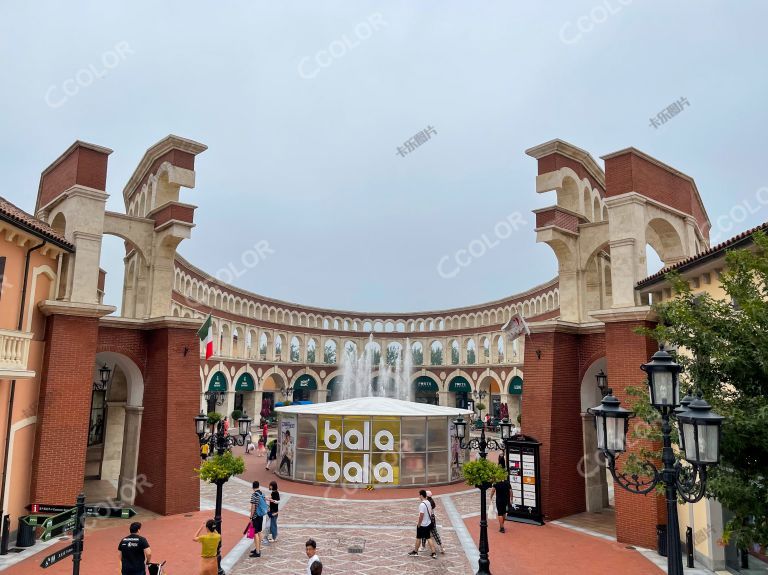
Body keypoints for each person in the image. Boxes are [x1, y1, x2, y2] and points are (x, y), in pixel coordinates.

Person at [408, 490, 437, 558]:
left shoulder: (422, 504)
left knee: (418, 537)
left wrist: (419, 524)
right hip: (428, 523)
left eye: (419, 495)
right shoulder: (428, 503)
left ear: (421, 495)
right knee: (428, 538)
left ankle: (415, 552)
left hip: (423, 525)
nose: (419, 497)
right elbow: (430, 512)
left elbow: (421, 515)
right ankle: (434, 553)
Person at [490, 455, 511, 533]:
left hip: (499, 499)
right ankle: (502, 524)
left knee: (499, 513)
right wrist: (511, 499)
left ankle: (501, 527)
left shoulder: (496, 482)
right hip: (505, 498)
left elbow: (493, 490)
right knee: (504, 512)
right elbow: (510, 491)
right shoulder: (507, 481)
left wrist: (491, 497)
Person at [249, 481, 265, 557]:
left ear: (253, 487)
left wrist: (251, 516)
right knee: (259, 532)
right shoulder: (262, 493)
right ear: (258, 486)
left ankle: (257, 552)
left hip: (255, 516)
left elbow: (253, 507)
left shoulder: (254, 495)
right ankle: (258, 548)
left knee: (255, 534)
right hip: (261, 516)